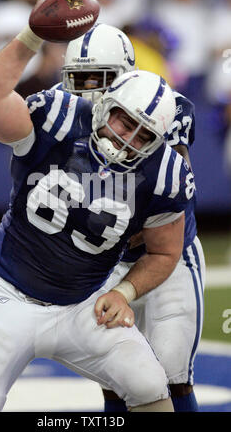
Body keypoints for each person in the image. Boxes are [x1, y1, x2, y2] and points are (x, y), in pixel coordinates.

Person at [0, 0, 195, 413]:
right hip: (9, 293)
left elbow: (165, 248)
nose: (127, 137)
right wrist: (31, 35)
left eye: (142, 134)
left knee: (151, 383)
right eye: (122, 120)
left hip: (84, 301)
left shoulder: (165, 168)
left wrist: (126, 291)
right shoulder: (57, 115)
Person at [55, 23, 205, 412]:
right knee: (116, 376)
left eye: (99, 78)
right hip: (104, 259)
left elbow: (167, 197)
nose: (88, 88)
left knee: (171, 374)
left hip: (166, 257)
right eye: (79, 77)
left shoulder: (167, 108)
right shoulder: (61, 110)